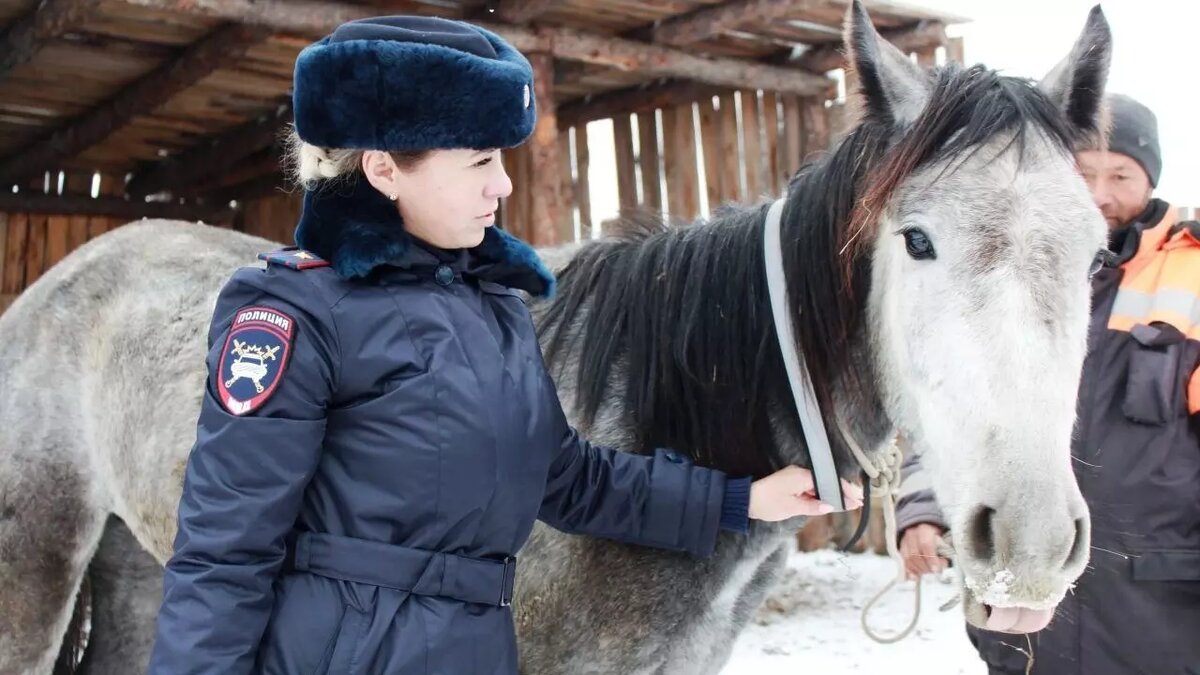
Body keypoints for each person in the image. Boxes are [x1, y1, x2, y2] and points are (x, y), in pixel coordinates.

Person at [146, 16, 863, 675]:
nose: (504, 182)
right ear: (384, 167)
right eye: (480, 159)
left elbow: (569, 479)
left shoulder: (493, 309)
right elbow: (224, 553)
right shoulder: (293, 313)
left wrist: (740, 500)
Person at [896, 93, 1200, 674]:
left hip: (1160, 606)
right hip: (1023, 591)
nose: (1100, 193)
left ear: (1151, 180)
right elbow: (947, 405)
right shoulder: (1000, 274)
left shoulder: (1191, 274)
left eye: (1121, 175)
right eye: (1082, 172)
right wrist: (921, 507)